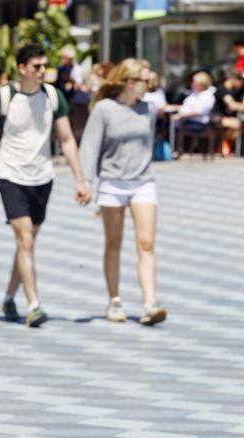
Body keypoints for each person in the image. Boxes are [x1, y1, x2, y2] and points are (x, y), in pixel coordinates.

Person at [0, 43, 92, 327]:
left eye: (45, 66)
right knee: (26, 240)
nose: (42, 72)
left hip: (43, 177)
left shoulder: (54, 96)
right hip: (10, 174)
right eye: (36, 67)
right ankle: (34, 305)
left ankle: (8, 297)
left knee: (25, 244)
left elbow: (66, 139)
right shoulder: (3, 98)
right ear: (21, 68)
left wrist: (80, 179)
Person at [79, 58, 167, 326]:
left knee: (146, 243)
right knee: (114, 243)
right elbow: (90, 147)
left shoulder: (148, 110)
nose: (149, 85)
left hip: (143, 181)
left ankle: (150, 302)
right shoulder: (105, 109)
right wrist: (86, 183)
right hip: (112, 183)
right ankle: (114, 301)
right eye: (144, 80)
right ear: (130, 82)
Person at [164, 71, 216, 140]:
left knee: (171, 125)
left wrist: (181, 115)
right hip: (187, 120)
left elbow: (199, 111)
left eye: (195, 82)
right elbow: (186, 107)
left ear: (201, 83)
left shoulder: (207, 96)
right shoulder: (194, 94)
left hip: (198, 123)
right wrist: (174, 107)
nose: (193, 84)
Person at [215, 70, 244, 156]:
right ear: (233, 79)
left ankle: (225, 145)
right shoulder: (222, 89)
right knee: (238, 124)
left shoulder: (234, 91)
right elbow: (232, 105)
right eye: (241, 81)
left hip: (226, 118)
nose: (242, 84)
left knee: (238, 125)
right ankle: (224, 144)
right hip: (215, 118)